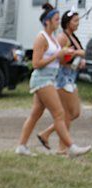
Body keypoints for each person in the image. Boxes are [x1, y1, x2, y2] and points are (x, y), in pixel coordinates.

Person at [16, 3, 90, 157]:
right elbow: (36, 64)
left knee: (35, 114)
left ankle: (21, 146)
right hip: (42, 79)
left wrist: (67, 53)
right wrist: (58, 55)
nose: (58, 22)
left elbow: (59, 56)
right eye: (56, 20)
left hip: (49, 78)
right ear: (47, 22)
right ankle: (71, 147)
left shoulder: (53, 39)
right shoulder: (41, 38)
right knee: (59, 114)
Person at [36, 10, 85, 153]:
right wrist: (76, 55)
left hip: (71, 76)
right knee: (67, 114)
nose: (77, 23)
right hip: (63, 78)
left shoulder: (72, 36)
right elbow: (60, 59)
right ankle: (62, 148)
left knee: (74, 113)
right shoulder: (63, 37)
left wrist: (77, 57)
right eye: (75, 21)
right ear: (67, 22)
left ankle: (46, 133)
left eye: (78, 20)